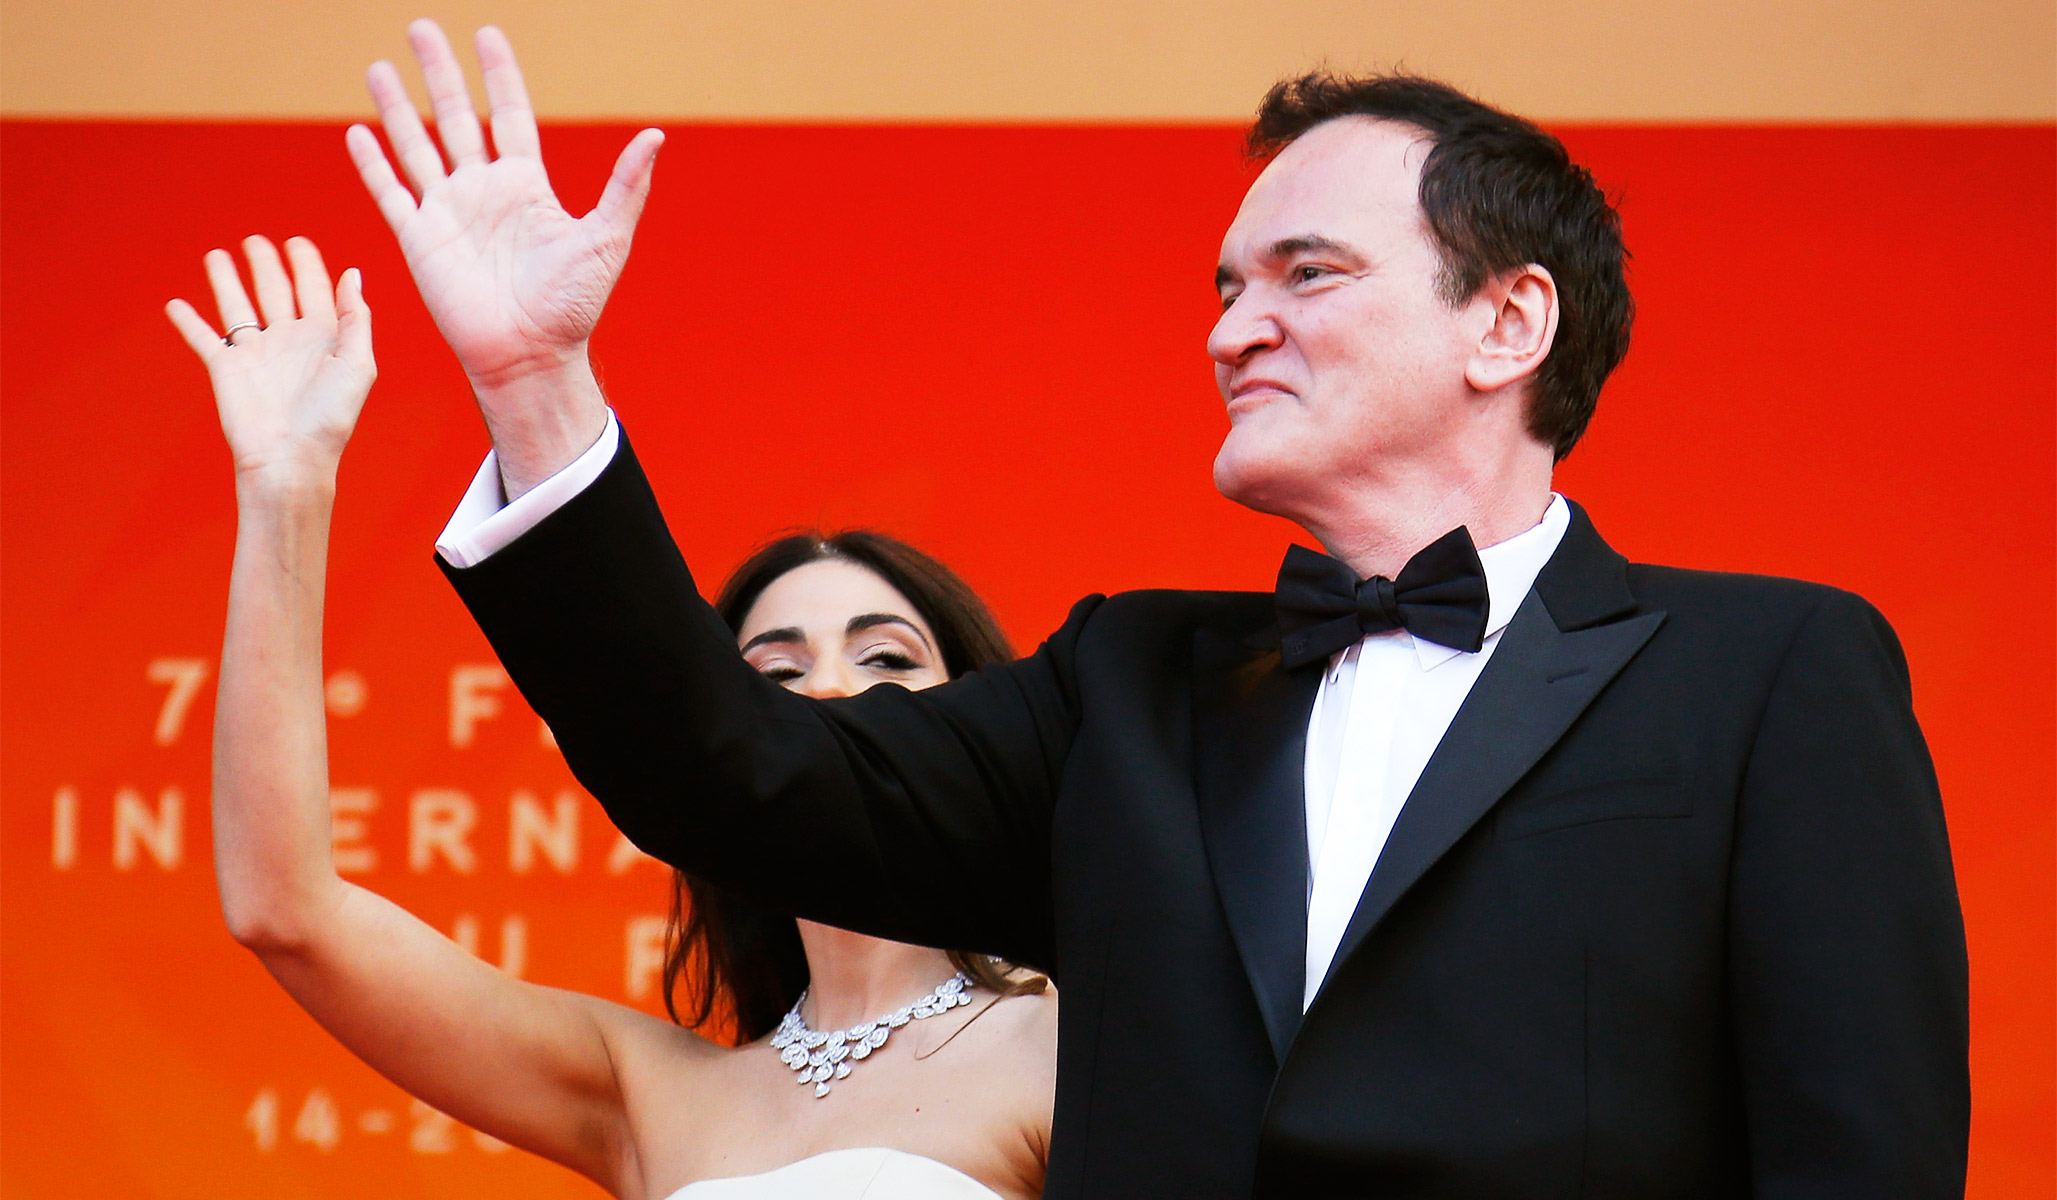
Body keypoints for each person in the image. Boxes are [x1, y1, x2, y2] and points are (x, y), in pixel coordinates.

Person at [353, 21, 1970, 1197]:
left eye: (1306, 274)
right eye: (1225, 288)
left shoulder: (1769, 672)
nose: (1232, 329)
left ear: (1506, 321)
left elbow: (1858, 1160)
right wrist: (537, 386)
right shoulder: (1122, 687)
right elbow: (737, 774)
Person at [169, 236, 1056, 1199]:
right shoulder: (649, 1094)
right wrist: (286, 489)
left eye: (888, 657)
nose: (834, 689)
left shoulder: (1068, 1042)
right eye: (776, 672)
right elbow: (287, 911)